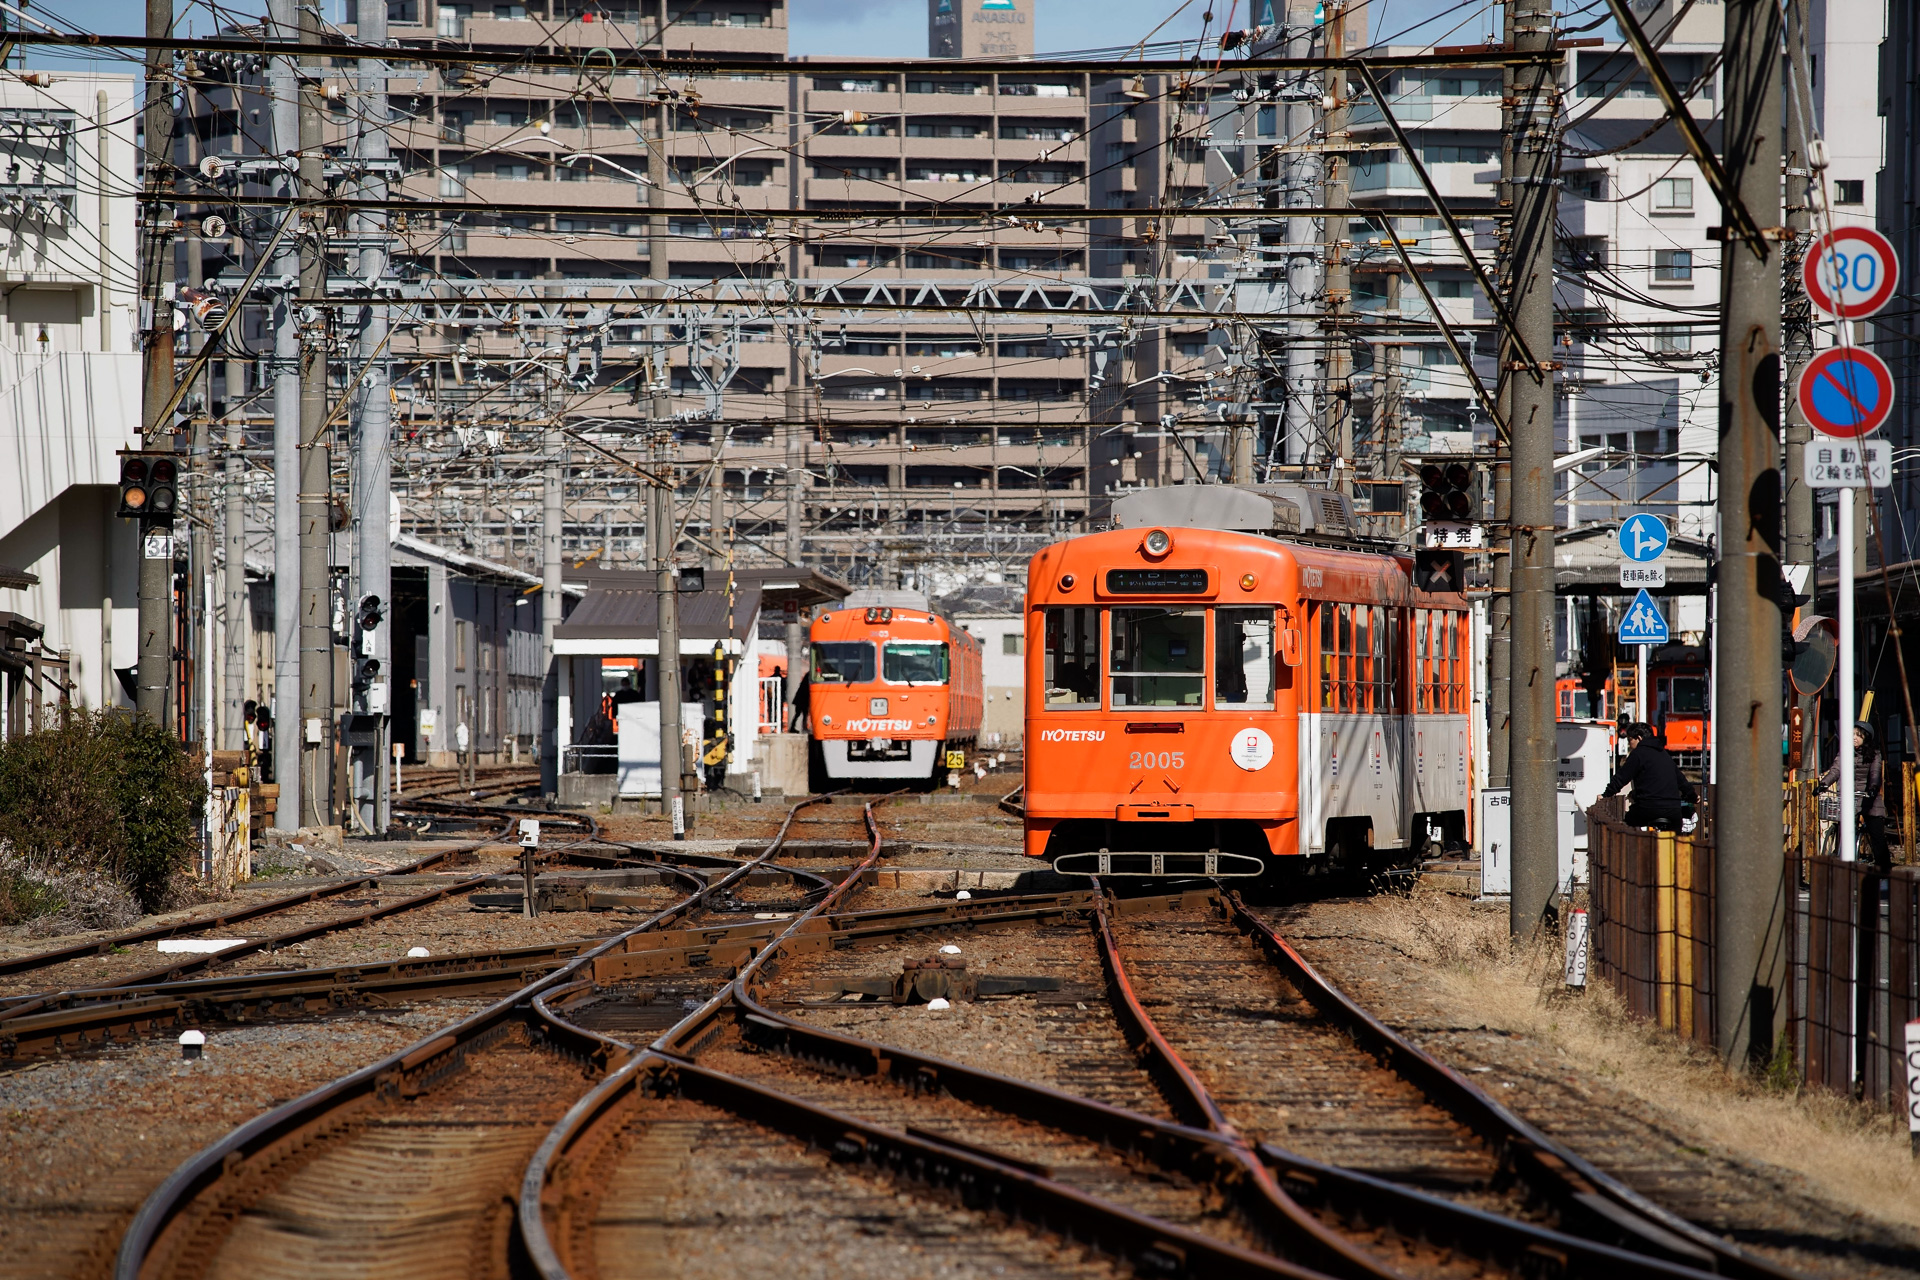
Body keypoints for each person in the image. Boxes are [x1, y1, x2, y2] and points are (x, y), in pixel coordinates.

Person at [1819, 719, 1890, 871]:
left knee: (1876, 831)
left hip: (1868, 796)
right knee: (1843, 829)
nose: (1854, 738)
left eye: (1858, 735)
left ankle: (1884, 870)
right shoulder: (1845, 751)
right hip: (1848, 796)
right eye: (1852, 734)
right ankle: (1841, 863)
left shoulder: (1874, 754)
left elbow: (1875, 774)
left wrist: (1873, 788)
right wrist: (1823, 784)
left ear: (1866, 738)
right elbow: (1835, 770)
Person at [1602, 721, 1696, 830]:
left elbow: (1621, 778)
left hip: (1648, 808)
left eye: (1630, 740)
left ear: (1639, 738)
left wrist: (1606, 795)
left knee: (1627, 824)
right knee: (1674, 840)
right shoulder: (1664, 754)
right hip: (1673, 810)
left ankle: (1636, 846)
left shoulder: (1638, 754)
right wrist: (1693, 797)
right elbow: (1682, 781)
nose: (1629, 744)